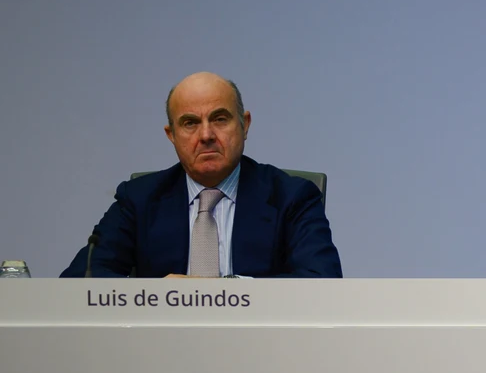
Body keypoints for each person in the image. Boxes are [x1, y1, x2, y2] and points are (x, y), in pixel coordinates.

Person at [61, 72, 342, 278]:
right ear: (171, 136)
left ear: (244, 125)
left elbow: (321, 280)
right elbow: (81, 280)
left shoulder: (292, 196)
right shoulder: (139, 199)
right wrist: (159, 296)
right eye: (190, 123)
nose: (206, 135)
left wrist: (223, 293)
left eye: (220, 119)